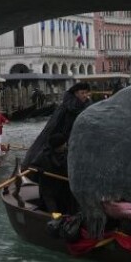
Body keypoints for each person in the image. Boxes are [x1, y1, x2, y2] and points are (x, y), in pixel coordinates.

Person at [25, 82, 92, 214]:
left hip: (74, 147)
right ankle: (55, 215)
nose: (85, 96)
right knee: (52, 187)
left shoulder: (88, 106)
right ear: (75, 93)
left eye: (86, 93)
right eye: (82, 93)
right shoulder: (65, 108)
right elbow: (54, 128)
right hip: (62, 144)